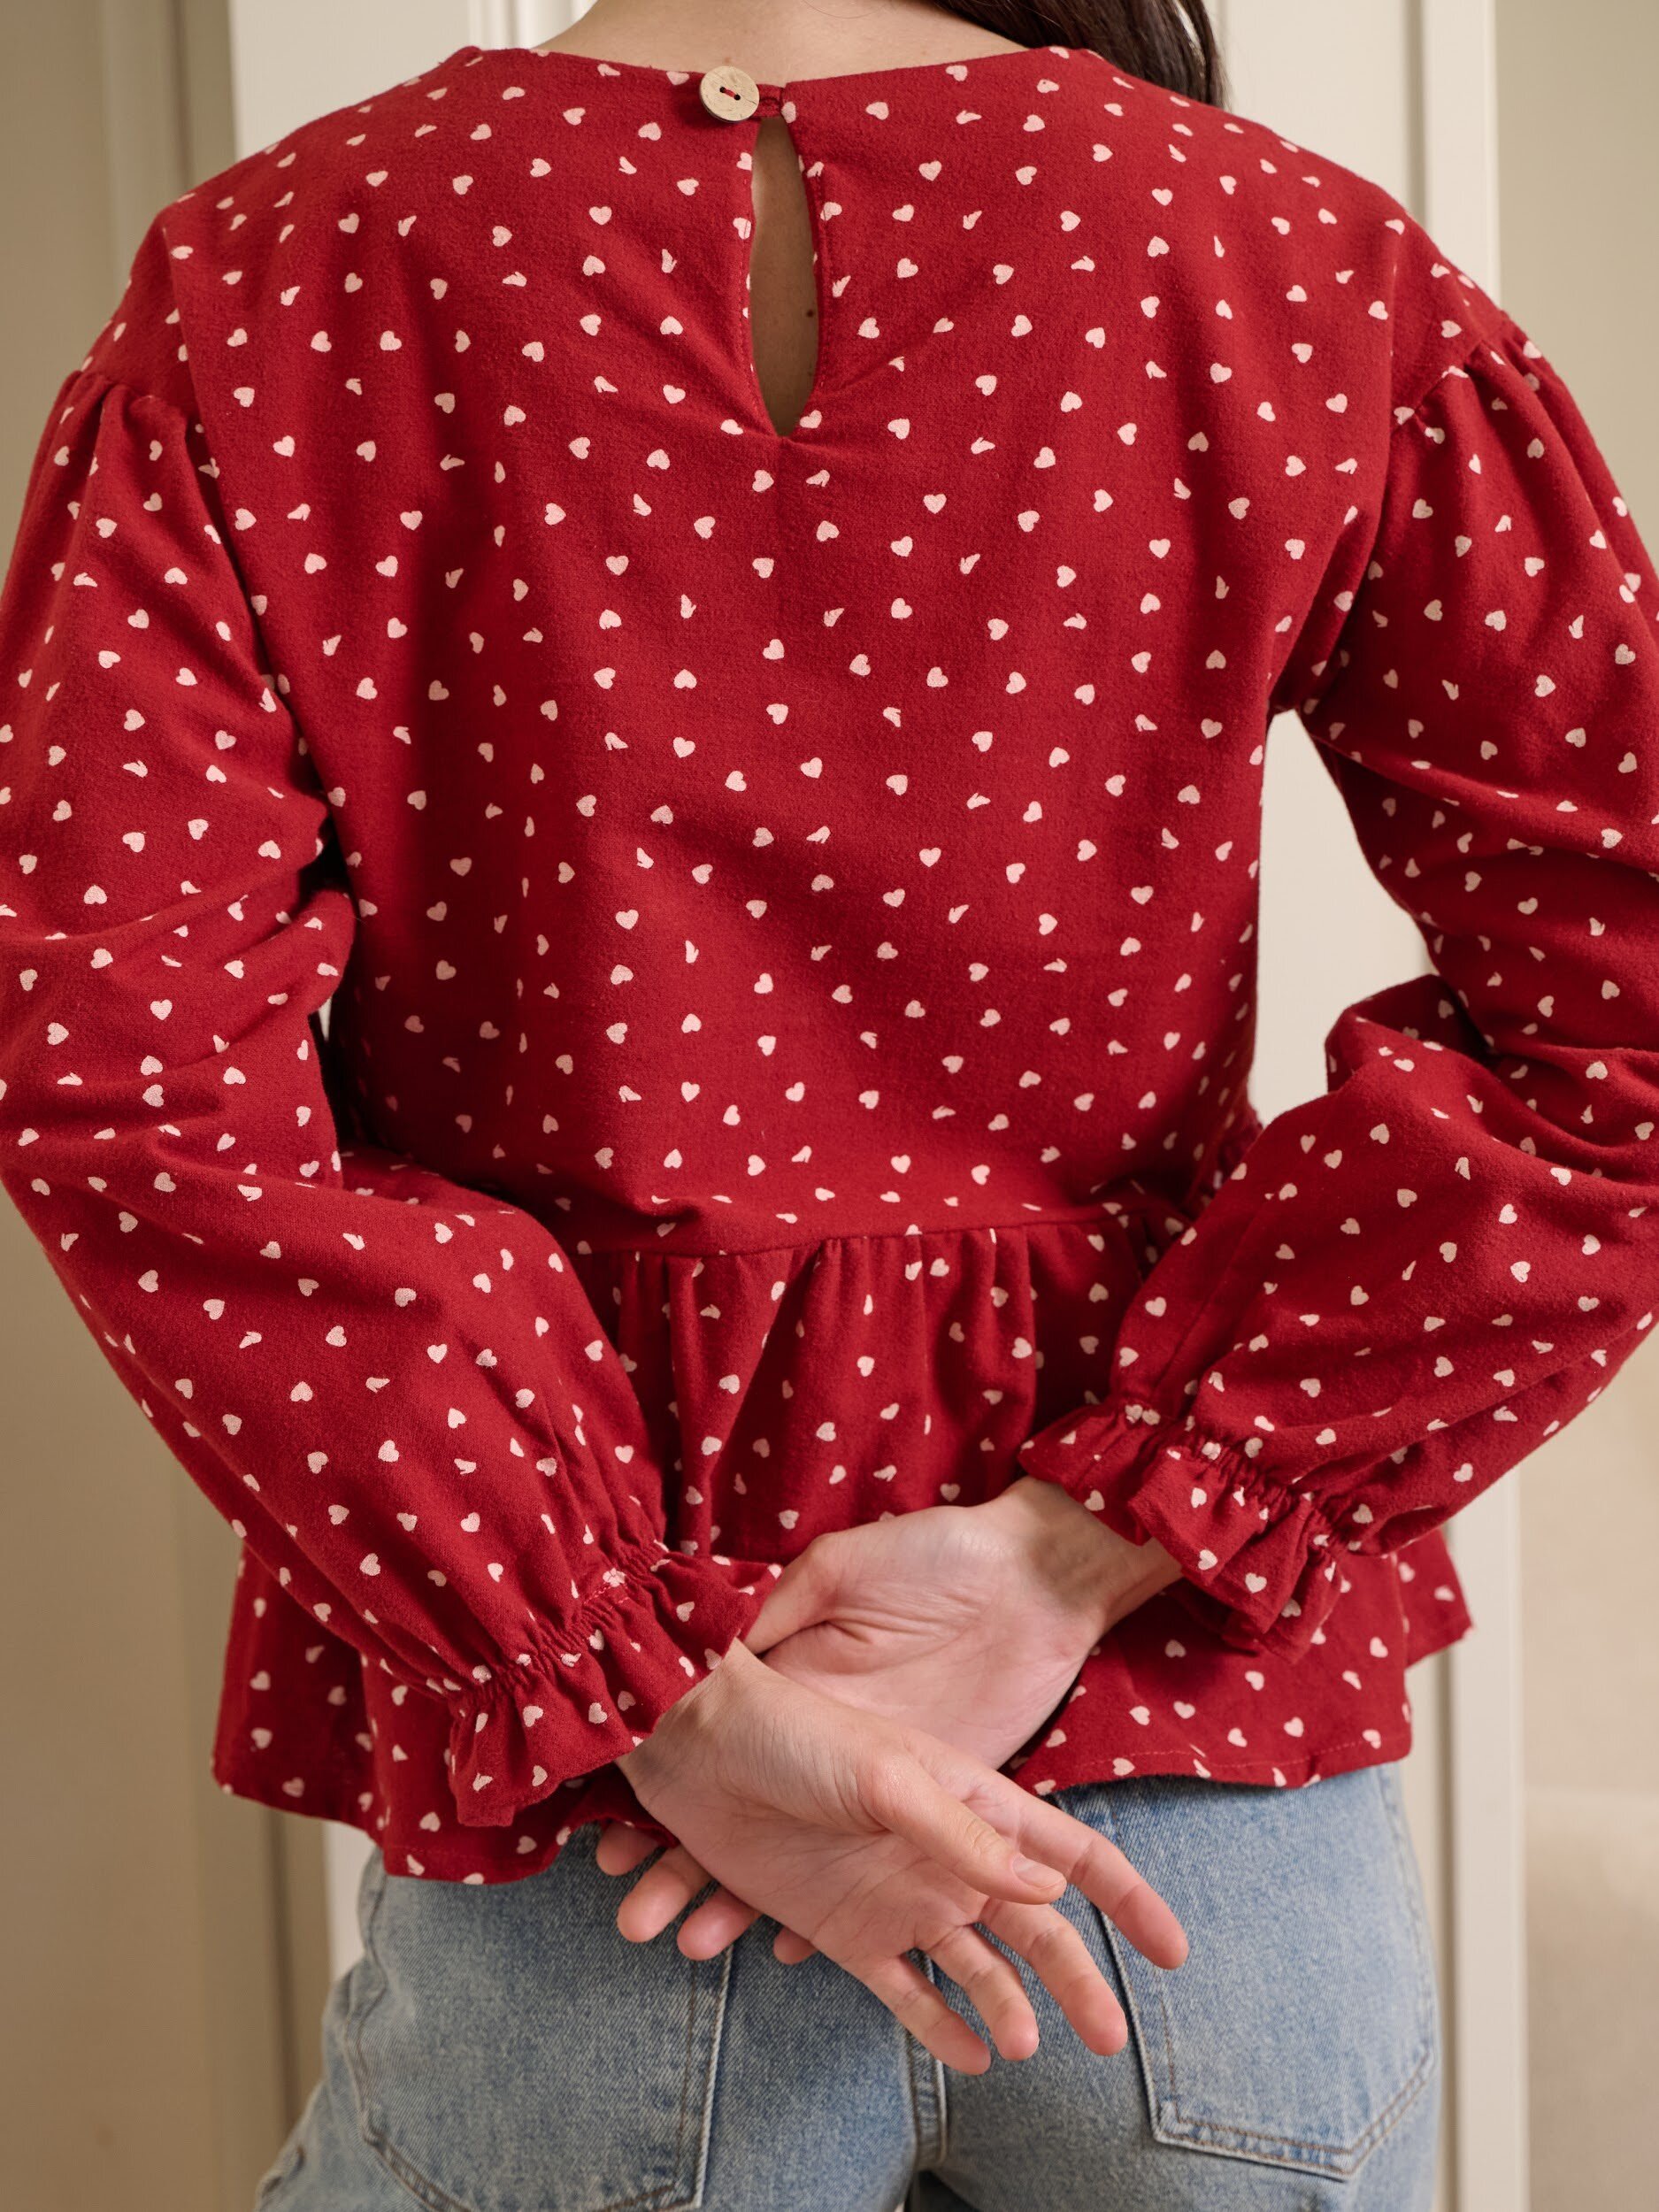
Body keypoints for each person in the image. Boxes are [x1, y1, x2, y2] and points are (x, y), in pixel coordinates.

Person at [1, 0, 1655, 2204]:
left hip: (617, 1841)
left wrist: (645, 1679)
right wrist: (1078, 1550)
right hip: (1178, 1814)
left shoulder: (286, 267)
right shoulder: (1279, 254)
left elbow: (123, 1079)